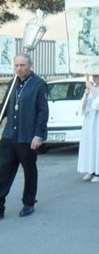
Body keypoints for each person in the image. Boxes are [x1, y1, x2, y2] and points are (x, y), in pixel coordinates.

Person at [0, 53, 49, 218]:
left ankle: (28, 202)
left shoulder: (39, 84)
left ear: (30, 65)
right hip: (9, 136)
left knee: (29, 171)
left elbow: (43, 112)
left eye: (22, 65)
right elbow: (5, 106)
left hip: (27, 136)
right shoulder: (13, 83)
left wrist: (39, 135)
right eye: (17, 66)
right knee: (3, 171)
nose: (19, 69)